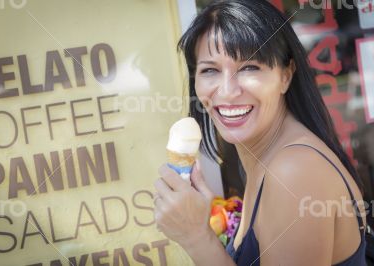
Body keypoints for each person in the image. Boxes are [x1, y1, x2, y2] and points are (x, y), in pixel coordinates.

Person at [153, 0, 367, 265]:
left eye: (249, 67)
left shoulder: (294, 173)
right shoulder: (267, 158)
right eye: (210, 70)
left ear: (286, 75)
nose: (227, 91)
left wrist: (196, 238)